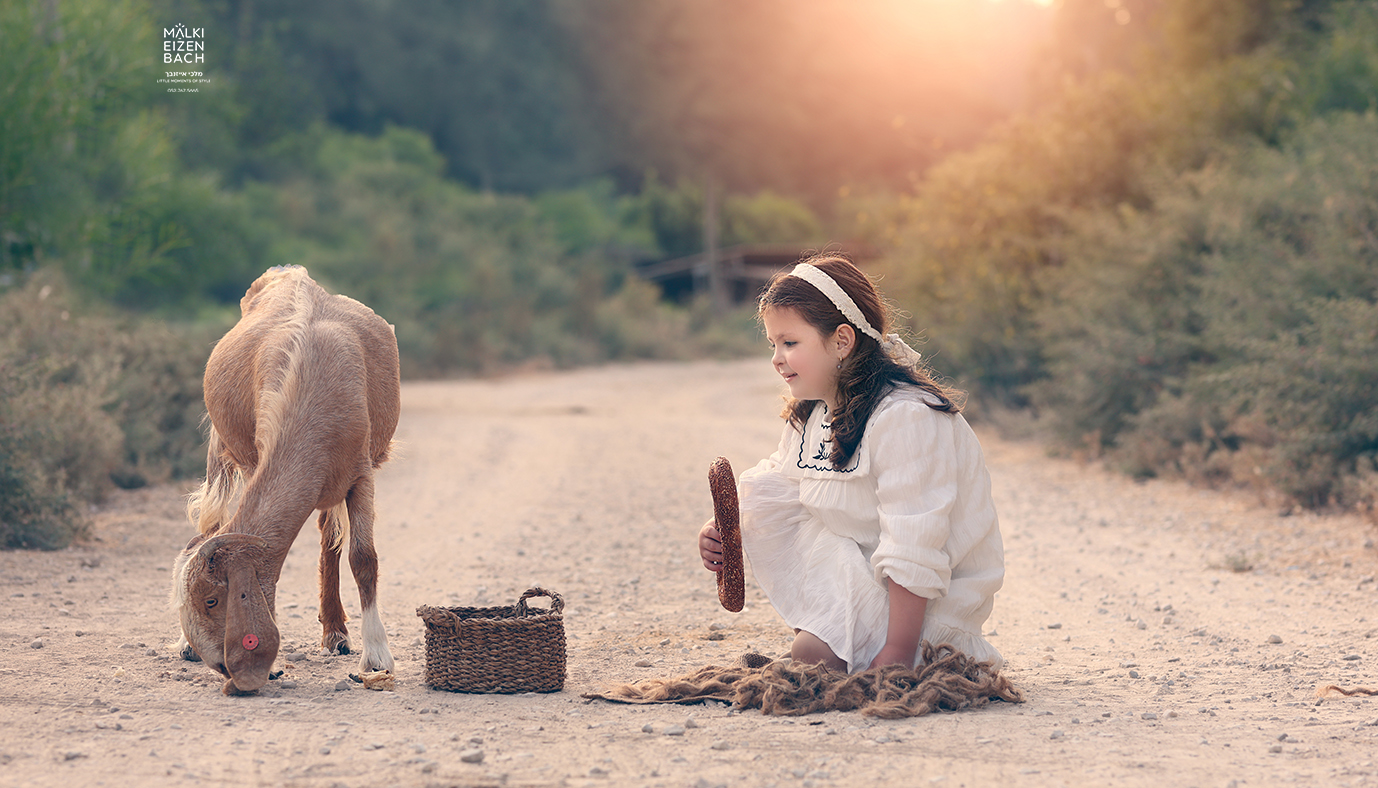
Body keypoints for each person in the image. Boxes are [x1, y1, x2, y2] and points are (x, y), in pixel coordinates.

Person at [698, 253, 1005, 673]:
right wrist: (727, 528)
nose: (777, 358)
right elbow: (779, 486)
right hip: (869, 584)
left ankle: (882, 647)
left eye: (790, 343)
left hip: (926, 611)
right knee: (796, 506)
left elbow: (914, 540)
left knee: (810, 659)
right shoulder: (814, 412)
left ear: (842, 341)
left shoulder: (906, 416)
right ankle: (836, 630)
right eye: (773, 344)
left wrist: (896, 655)